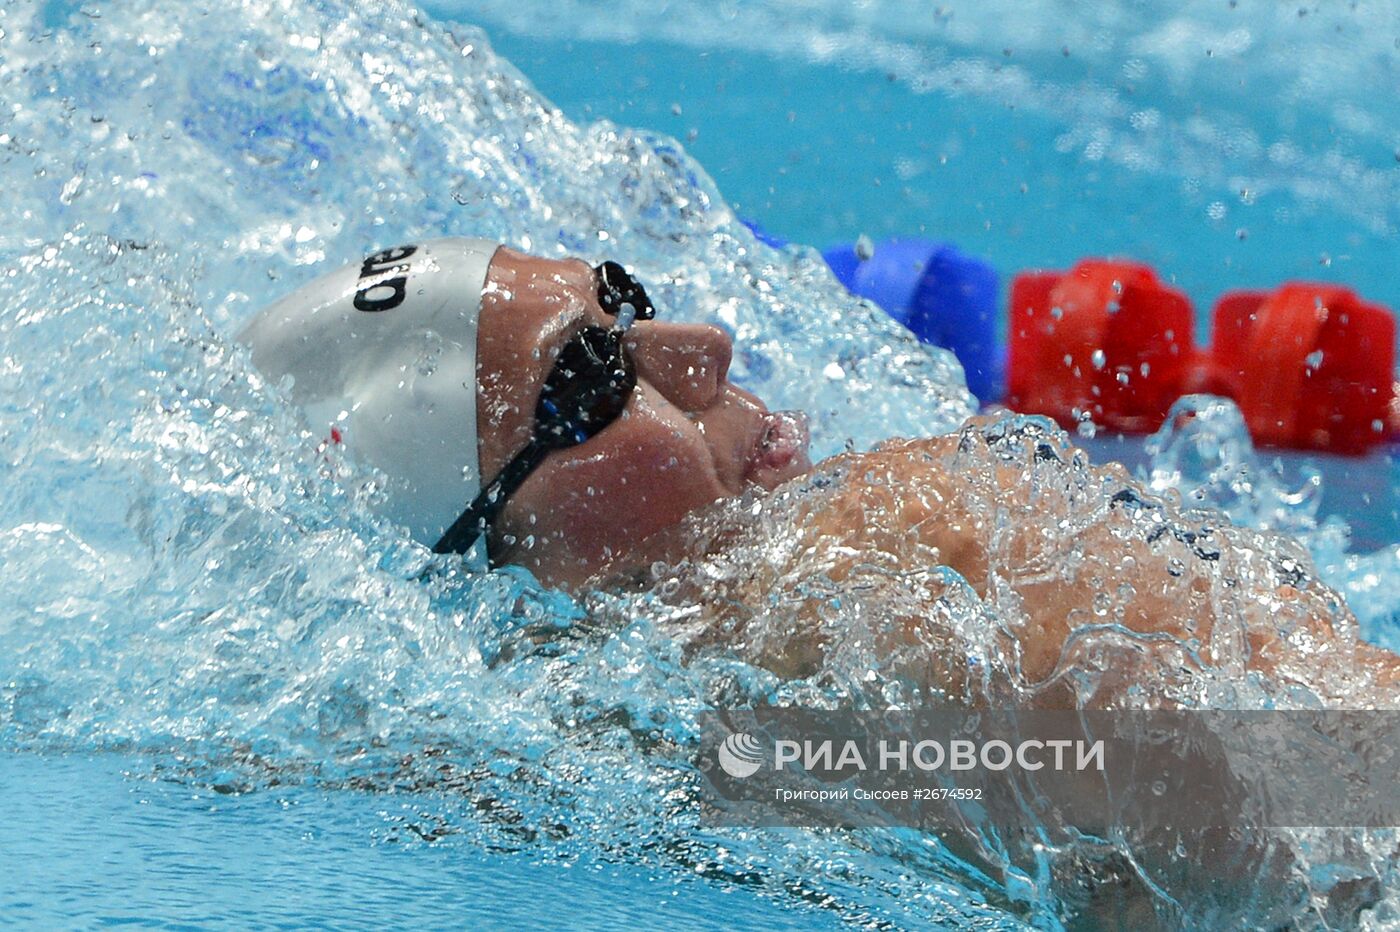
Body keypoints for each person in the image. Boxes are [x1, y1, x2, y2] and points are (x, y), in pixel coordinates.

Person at [241, 238, 1400, 708]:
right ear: (494, 533)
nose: (701, 350)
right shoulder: (857, 566)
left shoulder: (865, 555)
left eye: (624, 297)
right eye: (590, 371)